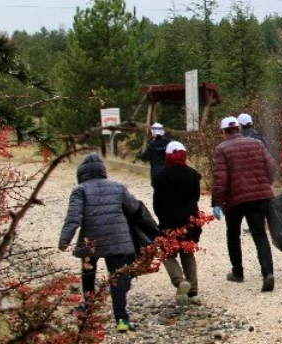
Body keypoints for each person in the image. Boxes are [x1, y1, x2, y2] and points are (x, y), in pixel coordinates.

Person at [58, 152, 147, 332]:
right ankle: (121, 320)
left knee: (88, 274)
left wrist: (64, 240)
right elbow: (133, 207)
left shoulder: (80, 190)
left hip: (90, 241)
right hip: (116, 239)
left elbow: (73, 217)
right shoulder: (118, 187)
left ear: (81, 173)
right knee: (117, 278)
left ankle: (89, 310)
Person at [211, 116, 277, 292]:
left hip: (235, 199)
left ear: (224, 131)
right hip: (259, 196)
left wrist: (217, 201)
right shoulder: (256, 143)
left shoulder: (222, 148)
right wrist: (266, 184)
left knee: (233, 235)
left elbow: (220, 178)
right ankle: (268, 273)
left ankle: (238, 272)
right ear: (239, 129)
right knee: (260, 234)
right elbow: (271, 165)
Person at [152, 140, 202, 305]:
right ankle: (193, 291)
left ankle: (180, 281)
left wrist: (162, 217)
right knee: (188, 253)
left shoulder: (160, 178)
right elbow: (196, 197)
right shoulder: (193, 175)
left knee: (167, 253)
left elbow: (157, 204)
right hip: (189, 219)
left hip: (169, 220)